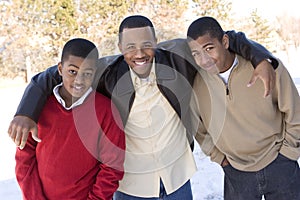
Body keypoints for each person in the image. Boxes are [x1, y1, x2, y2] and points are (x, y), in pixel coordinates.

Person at [9, 15, 278, 199]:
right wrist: (25, 111)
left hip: (177, 178)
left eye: (147, 45)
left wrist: (262, 58)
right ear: (119, 47)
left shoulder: (177, 57)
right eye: (130, 47)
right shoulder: (105, 71)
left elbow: (227, 37)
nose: (139, 53)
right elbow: (51, 75)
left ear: (156, 43)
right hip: (131, 186)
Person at [188, 16, 300, 200]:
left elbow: (295, 111)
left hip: (280, 164)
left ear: (224, 41)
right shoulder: (198, 85)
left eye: (209, 49)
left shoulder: (266, 67)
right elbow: (200, 130)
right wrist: (219, 158)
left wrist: (288, 153)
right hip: (236, 173)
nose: (204, 59)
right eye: (196, 54)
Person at [15, 38, 125, 200]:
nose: (79, 80)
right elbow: (24, 160)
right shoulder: (40, 107)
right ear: (60, 69)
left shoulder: (106, 111)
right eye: (72, 71)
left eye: (87, 74)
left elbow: (112, 167)